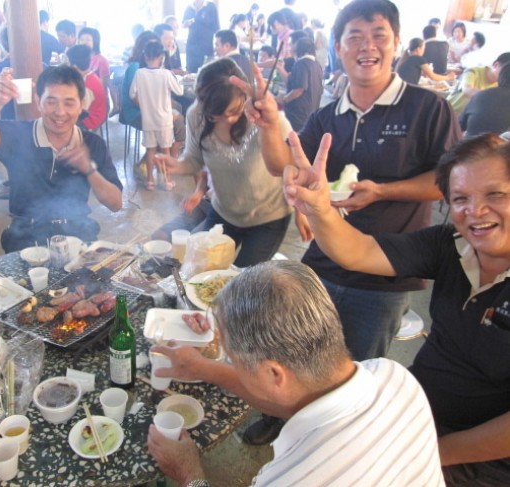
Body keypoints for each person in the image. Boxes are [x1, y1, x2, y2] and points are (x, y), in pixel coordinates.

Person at [242, 0, 461, 445]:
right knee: (296, 348)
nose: (367, 46)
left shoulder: (427, 107)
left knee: (354, 370)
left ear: (397, 43)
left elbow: (448, 182)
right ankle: (284, 418)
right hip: (324, 259)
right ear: (338, 48)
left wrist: (384, 190)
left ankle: (335, 444)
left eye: (379, 35)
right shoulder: (329, 116)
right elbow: (283, 164)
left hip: (387, 271)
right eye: (354, 37)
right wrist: (268, 124)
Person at [283, 132, 510, 486]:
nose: (475, 211)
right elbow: (359, 252)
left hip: (479, 460)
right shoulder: (451, 244)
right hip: (416, 408)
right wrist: (320, 209)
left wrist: (429, 452)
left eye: (495, 194)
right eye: (461, 198)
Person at [148, 260, 444, 486]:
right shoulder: (393, 375)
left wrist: (189, 474)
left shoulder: (291, 478)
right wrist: (202, 367)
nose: (231, 364)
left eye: (233, 359)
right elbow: (288, 396)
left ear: (273, 374)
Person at [0, 64, 123, 251]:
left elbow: (116, 204)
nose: (60, 112)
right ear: (38, 101)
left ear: (81, 105)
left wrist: (89, 169)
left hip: (78, 235)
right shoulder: (19, 134)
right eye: (51, 102)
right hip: (25, 237)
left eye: (69, 103)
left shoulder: (93, 144)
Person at [160, 58, 292, 267]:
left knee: (244, 279)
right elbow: (194, 159)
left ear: (244, 95)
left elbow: (288, 167)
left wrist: (303, 215)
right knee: (198, 270)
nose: (227, 120)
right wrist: (178, 165)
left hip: (267, 218)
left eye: (233, 112)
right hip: (224, 210)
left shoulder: (266, 118)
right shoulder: (196, 114)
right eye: (216, 116)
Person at [130, 41, 183, 191]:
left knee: (150, 150)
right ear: (162, 57)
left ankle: (150, 181)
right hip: (164, 121)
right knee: (166, 151)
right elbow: (180, 91)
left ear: (145, 56)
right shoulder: (165, 74)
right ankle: (167, 181)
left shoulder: (139, 73)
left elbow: (132, 94)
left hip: (148, 120)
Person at [276, 37, 323, 132]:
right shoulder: (316, 64)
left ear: (298, 47)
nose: (290, 48)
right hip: (310, 111)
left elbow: (299, 89)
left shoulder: (301, 63)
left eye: (291, 45)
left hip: (298, 113)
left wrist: (284, 100)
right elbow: (292, 82)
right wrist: (281, 69)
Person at [460, 63, 510, 138]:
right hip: (492, 144)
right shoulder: (474, 72)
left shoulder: (481, 94)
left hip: (469, 144)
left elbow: (460, 126)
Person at [66, 44, 106, 132]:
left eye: (68, 62)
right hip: (91, 113)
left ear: (74, 66)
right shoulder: (89, 76)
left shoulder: (88, 86)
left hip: (90, 119)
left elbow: (82, 111)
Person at [183, 0, 220, 74]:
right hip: (192, 44)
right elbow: (183, 24)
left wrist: (217, 44)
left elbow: (216, 27)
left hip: (206, 45)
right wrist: (188, 23)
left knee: (207, 71)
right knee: (191, 71)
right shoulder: (189, 7)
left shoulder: (210, 6)